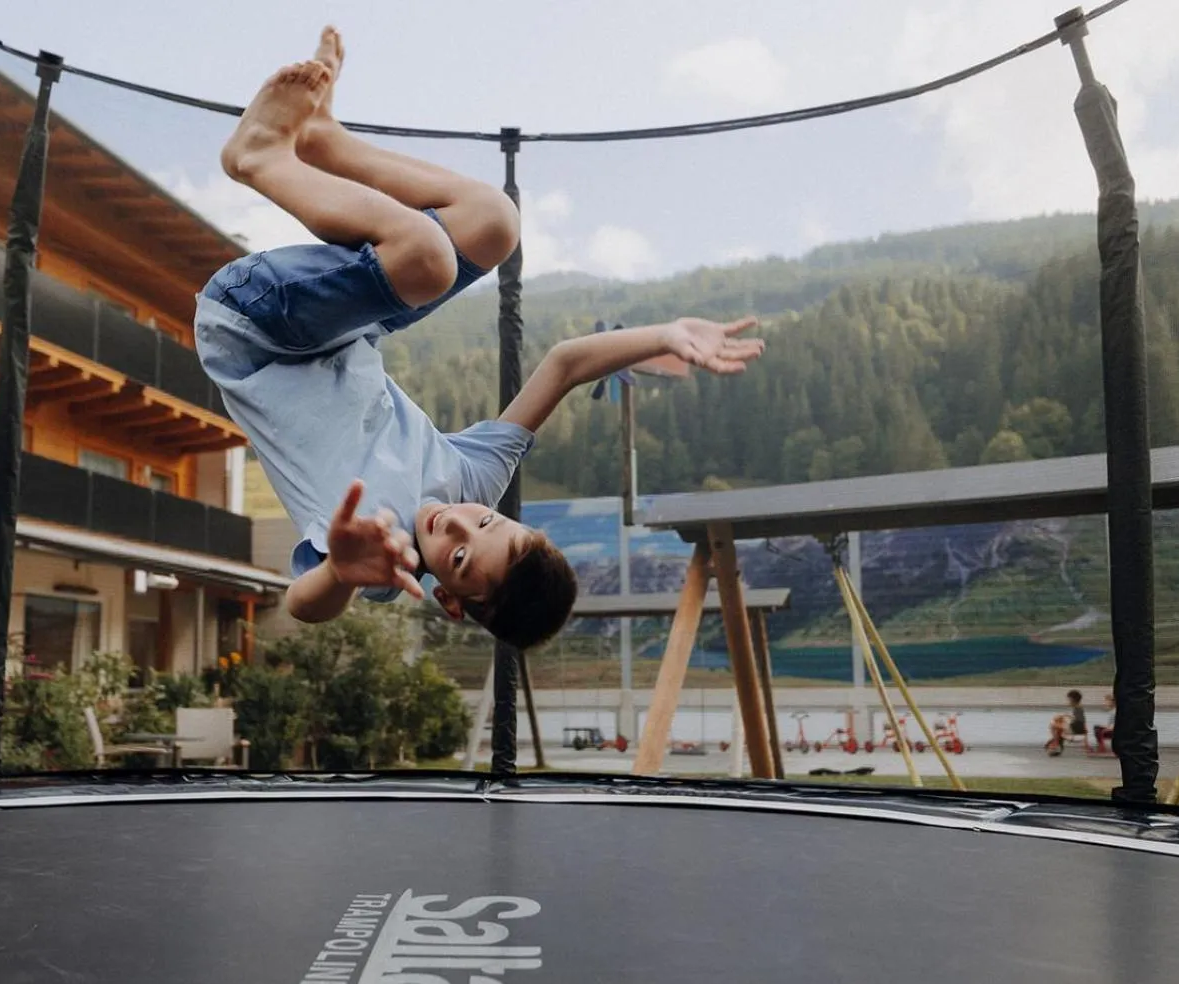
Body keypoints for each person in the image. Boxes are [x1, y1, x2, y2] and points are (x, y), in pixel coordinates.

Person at [194, 29, 764, 649]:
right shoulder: (474, 479)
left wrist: (338, 570)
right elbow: (566, 366)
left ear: (448, 598)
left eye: (460, 559)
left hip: (256, 330)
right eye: (487, 521)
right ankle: (327, 144)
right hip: (338, 331)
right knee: (494, 222)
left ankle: (258, 158)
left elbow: (307, 605)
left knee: (429, 260)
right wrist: (668, 333)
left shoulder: (387, 557)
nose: (457, 522)